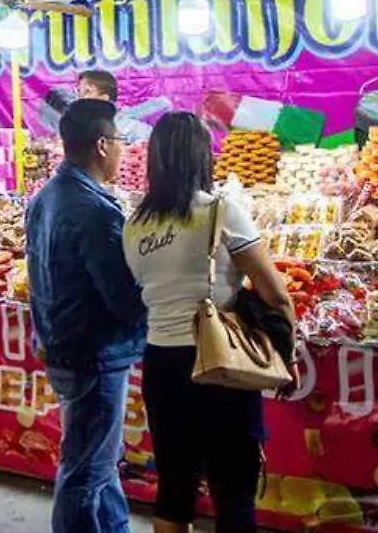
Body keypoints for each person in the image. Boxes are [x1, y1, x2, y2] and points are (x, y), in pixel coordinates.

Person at [121, 112, 295, 533]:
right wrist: (285, 352)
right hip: (221, 362)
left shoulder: (134, 225)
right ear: (203, 155)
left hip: (162, 364)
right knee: (233, 491)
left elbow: (146, 291)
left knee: (174, 487)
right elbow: (275, 292)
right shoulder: (220, 210)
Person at [24, 99, 147, 533]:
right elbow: (123, 297)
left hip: (62, 343)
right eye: (120, 141)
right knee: (85, 472)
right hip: (94, 351)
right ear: (100, 145)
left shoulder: (45, 198)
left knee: (99, 460)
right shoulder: (95, 211)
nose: (122, 150)